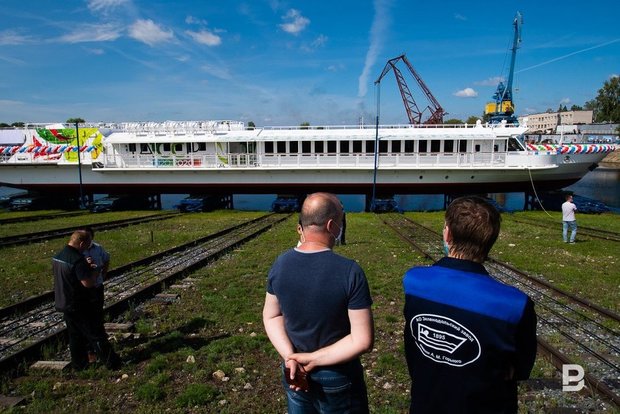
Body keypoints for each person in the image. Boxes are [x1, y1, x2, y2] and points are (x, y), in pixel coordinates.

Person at [402, 196, 537, 414]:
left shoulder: (414, 281)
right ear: (491, 240)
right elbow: (520, 368)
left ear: (447, 234)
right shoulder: (515, 305)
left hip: (425, 402)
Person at [263, 192, 374, 413]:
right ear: (332, 226)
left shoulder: (280, 264)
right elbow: (363, 341)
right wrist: (313, 359)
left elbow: (271, 315)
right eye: (341, 221)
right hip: (337, 376)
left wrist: (289, 356)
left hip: (294, 371)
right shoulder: (350, 271)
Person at [53, 230, 121, 370]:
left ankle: (79, 364)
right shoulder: (77, 259)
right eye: (87, 245)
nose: (86, 249)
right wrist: (95, 271)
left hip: (64, 301)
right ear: (81, 243)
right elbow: (88, 283)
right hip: (79, 303)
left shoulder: (59, 256)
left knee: (75, 336)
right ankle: (112, 363)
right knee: (96, 333)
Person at [82, 226, 111, 362]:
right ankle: (90, 349)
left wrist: (104, 273)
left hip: (97, 286)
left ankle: (101, 344)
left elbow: (106, 258)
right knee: (87, 319)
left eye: (88, 237)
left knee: (98, 315)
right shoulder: (77, 251)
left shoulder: (98, 248)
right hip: (84, 290)